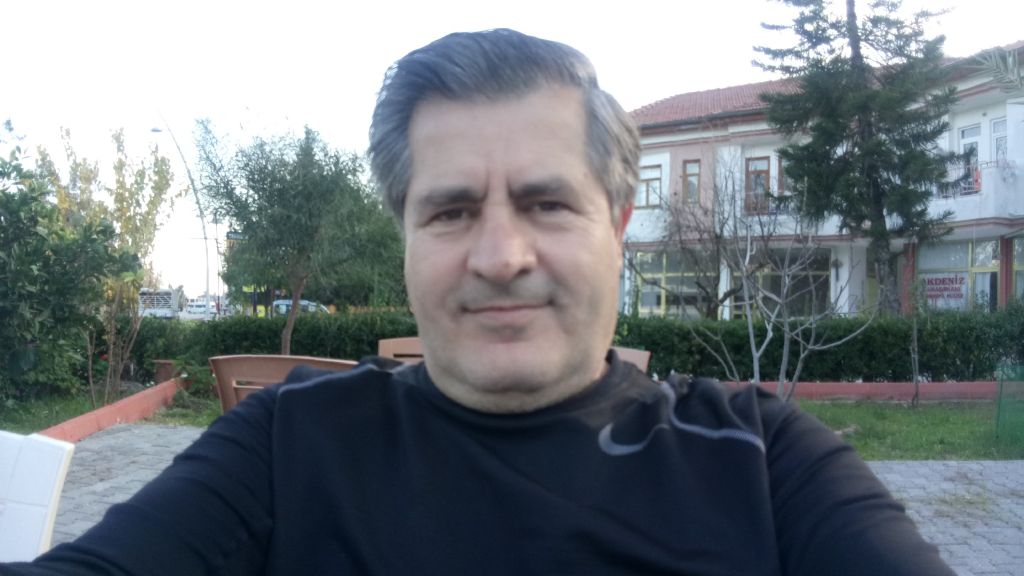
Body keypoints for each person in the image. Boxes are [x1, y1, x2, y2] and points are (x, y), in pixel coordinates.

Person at [4, 29, 954, 575]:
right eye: (452, 211)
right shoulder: (287, 447)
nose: (500, 257)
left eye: (547, 203)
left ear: (619, 226)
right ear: (406, 237)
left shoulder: (766, 461)